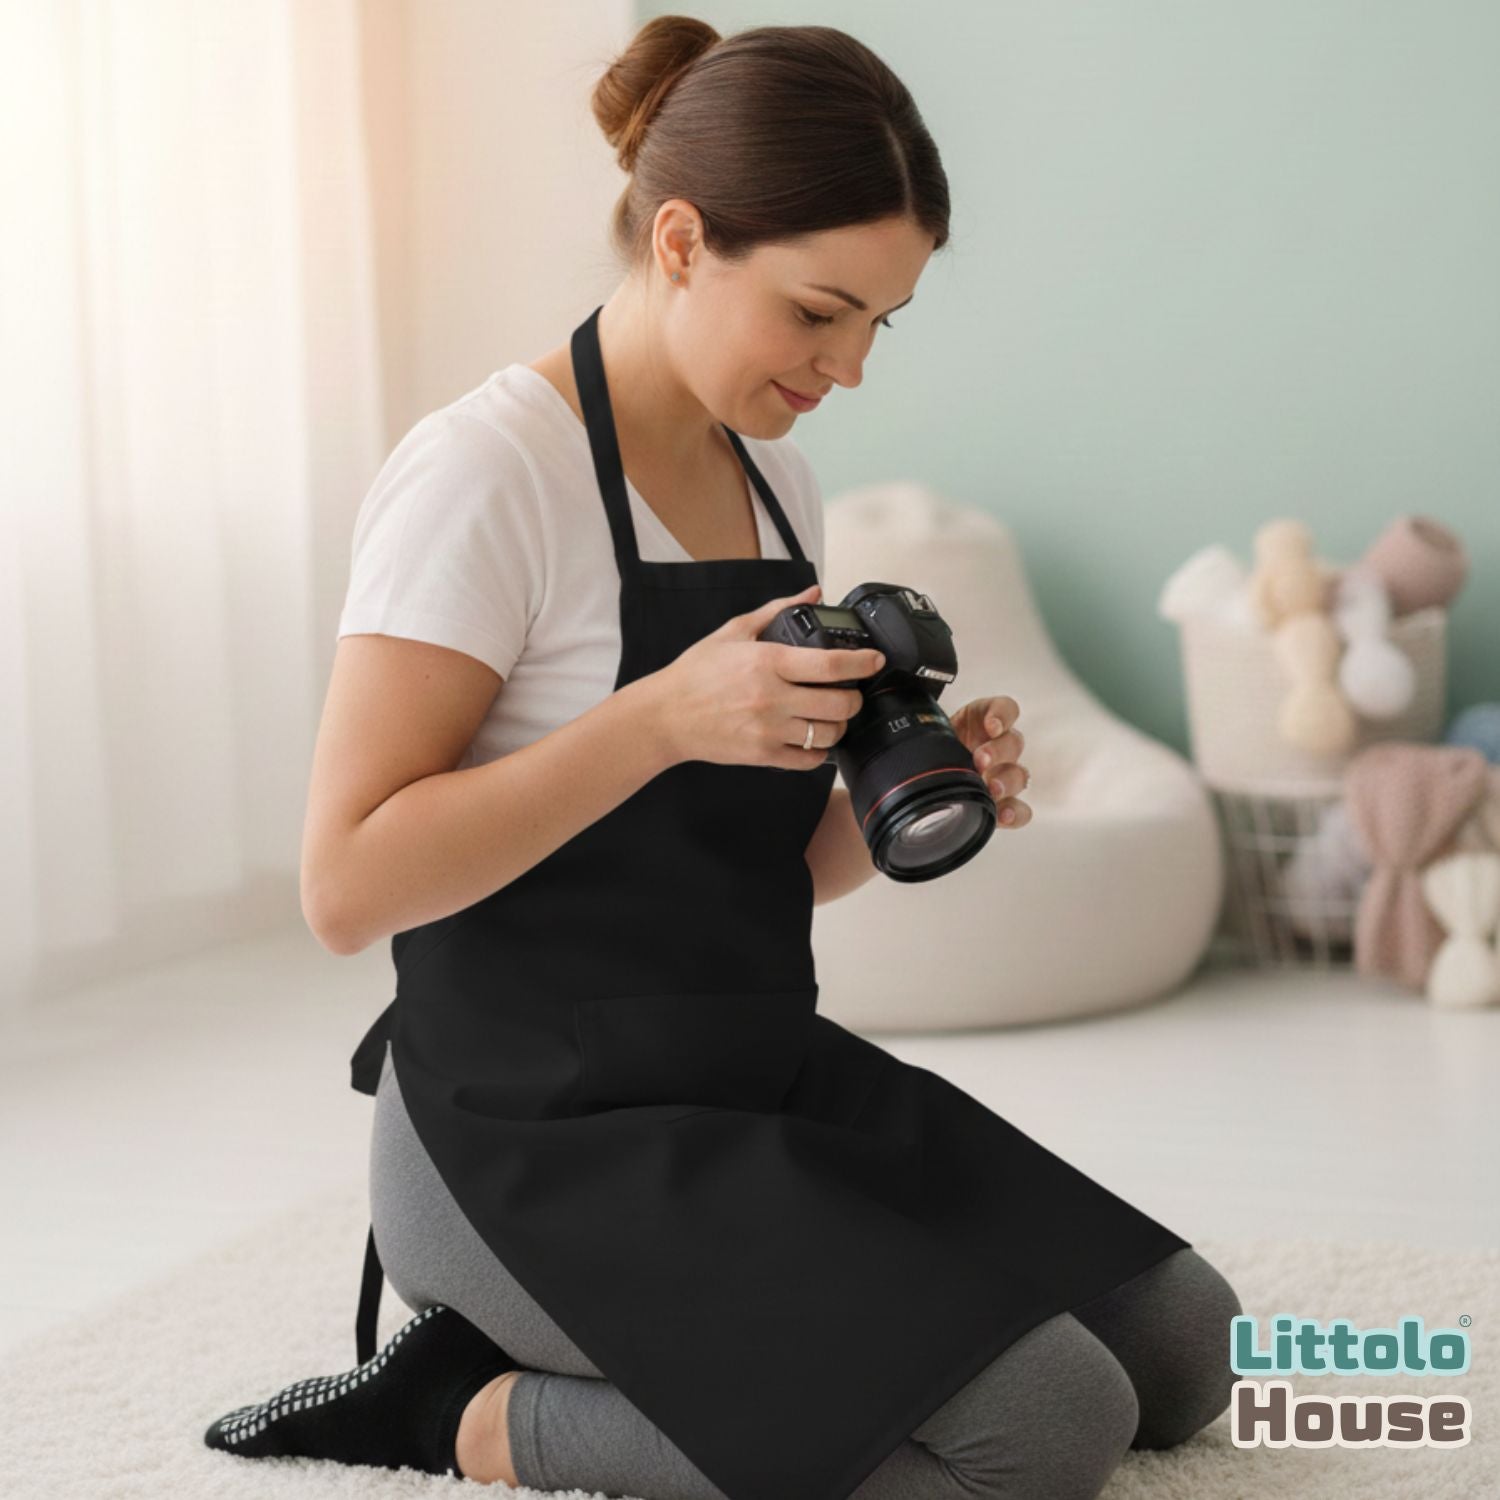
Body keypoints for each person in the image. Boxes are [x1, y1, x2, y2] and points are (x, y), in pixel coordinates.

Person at [203, 16, 1241, 1499]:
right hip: (532, 1133)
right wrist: (659, 718)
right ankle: (460, 1413)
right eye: (820, 312)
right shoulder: (485, 476)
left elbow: (748, 877)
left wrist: (903, 803)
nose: (850, 367)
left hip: (748, 1076)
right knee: (1045, 1432)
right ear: (681, 241)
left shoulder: (777, 479)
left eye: (882, 323)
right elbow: (344, 885)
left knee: (1188, 1347)